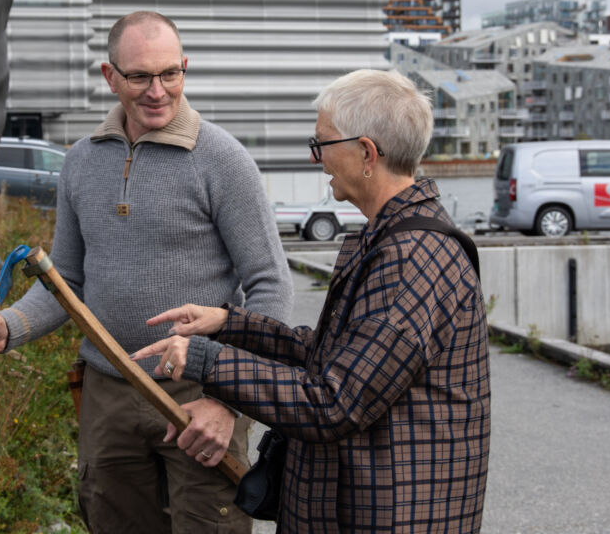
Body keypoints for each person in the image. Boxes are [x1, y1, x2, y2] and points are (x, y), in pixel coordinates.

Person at [0, 11, 293, 533]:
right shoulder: (81, 163)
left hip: (196, 395)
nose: (158, 91)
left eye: (170, 74)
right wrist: (7, 328)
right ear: (110, 77)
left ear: (185, 68)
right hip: (107, 395)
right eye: (139, 77)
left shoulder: (223, 161)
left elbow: (271, 286)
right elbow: (67, 281)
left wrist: (229, 400)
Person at [133, 68, 491, 533]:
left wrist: (207, 361)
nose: (314, 156)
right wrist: (227, 323)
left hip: (385, 514)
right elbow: (335, 353)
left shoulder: (411, 259)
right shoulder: (391, 241)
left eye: (322, 143)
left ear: (366, 153)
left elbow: (335, 400)